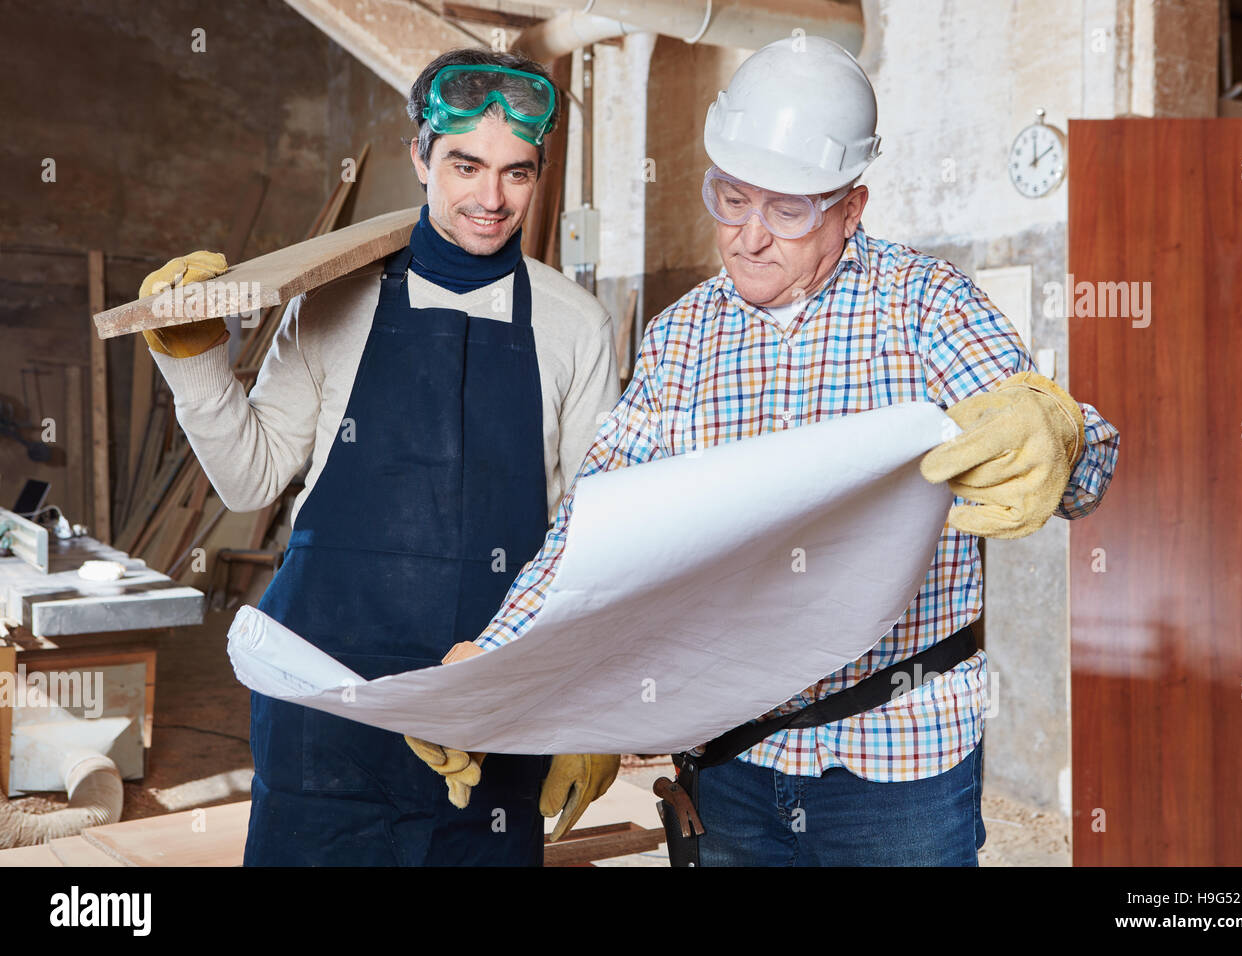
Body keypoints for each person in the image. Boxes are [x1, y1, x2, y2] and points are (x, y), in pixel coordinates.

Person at [425, 36, 1120, 866]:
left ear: (851, 208)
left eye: (788, 210)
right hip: (728, 761)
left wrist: (1062, 436)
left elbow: (1082, 475)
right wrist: (502, 660)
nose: (749, 237)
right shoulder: (683, 335)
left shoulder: (928, 308)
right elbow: (600, 520)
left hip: (896, 759)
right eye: (731, 197)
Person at [138, 49, 622, 866]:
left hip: (490, 709)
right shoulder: (333, 301)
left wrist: (591, 713)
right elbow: (251, 476)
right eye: (467, 165)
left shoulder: (576, 325)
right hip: (327, 711)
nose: (492, 199)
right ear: (420, 156)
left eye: (518, 172)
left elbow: (597, 536)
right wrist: (197, 364)